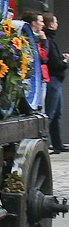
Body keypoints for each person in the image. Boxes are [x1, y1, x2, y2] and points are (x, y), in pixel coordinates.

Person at [43, 13, 67, 152]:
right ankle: (46, 143)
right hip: (53, 80)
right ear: (51, 24)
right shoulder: (49, 41)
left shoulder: (50, 41)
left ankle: (57, 144)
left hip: (56, 81)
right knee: (51, 114)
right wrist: (64, 62)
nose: (57, 24)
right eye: (55, 22)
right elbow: (55, 64)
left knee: (56, 113)